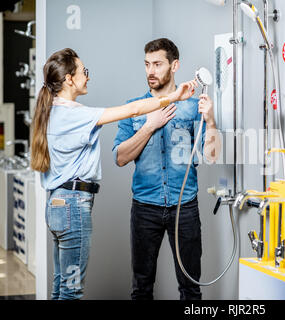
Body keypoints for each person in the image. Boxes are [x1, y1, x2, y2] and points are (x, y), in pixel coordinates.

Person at [31, 48, 198, 300]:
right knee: (71, 291)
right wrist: (174, 97)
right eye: (83, 72)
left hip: (57, 205)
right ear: (69, 79)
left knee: (60, 287)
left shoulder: (52, 110)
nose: (87, 77)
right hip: (73, 208)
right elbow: (132, 111)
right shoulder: (74, 114)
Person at [113, 38, 221, 300]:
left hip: (184, 208)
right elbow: (120, 157)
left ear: (175, 66)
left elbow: (211, 156)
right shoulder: (135, 108)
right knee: (141, 288)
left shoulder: (191, 106)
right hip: (144, 208)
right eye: (147, 64)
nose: (151, 71)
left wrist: (210, 121)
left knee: (190, 288)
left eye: (158, 64)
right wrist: (149, 125)